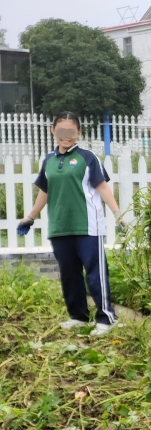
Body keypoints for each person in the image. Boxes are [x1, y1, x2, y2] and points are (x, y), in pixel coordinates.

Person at [17, 111, 126, 336]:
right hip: (60, 227)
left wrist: (118, 214)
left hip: (88, 226)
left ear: (79, 133)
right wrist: (31, 216)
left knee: (95, 273)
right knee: (69, 274)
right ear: (52, 131)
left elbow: (103, 187)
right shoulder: (49, 160)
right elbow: (45, 191)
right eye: (61, 130)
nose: (66, 135)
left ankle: (107, 318)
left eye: (71, 131)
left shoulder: (88, 158)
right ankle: (78, 317)